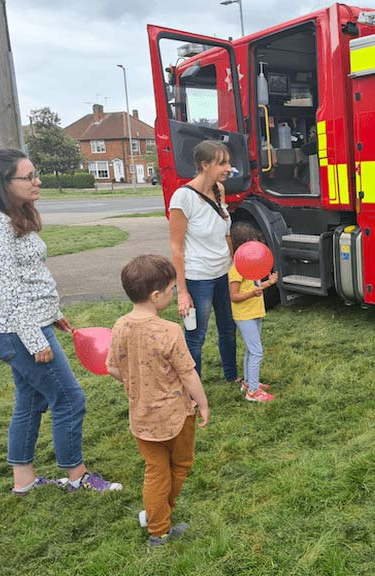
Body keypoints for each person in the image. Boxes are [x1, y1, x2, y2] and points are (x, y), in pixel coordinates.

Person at [0, 148, 121, 493]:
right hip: (17, 330)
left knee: (31, 399)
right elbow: (7, 289)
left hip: (28, 322)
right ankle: (77, 477)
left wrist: (52, 315)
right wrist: (35, 340)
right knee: (69, 399)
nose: (37, 181)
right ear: (2, 183)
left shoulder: (7, 216)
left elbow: (28, 276)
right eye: (28, 176)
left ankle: (24, 482)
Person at [106, 255, 210, 547]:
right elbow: (188, 374)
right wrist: (202, 404)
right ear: (155, 295)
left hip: (141, 418)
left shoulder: (119, 326)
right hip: (176, 416)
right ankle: (159, 517)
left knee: (155, 471)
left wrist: (132, 381)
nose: (174, 293)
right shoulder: (169, 331)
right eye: (172, 289)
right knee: (180, 465)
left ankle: (157, 526)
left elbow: (113, 367)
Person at [169, 140, 239, 385]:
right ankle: (193, 391)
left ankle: (232, 377)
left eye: (228, 162)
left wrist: (234, 267)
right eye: (222, 163)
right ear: (204, 165)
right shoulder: (182, 198)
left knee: (228, 328)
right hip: (198, 278)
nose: (229, 167)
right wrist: (183, 292)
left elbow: (226, 234)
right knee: (196, 336)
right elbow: (176, 249)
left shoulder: (219, 189)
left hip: (223, 273)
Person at [228, 223, 279, 403]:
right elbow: (234, 296)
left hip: (255, 313)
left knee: (251, 350)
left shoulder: (251, 266)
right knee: (257, 351)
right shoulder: (236, 269)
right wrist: (252, 293)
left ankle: (249, 383)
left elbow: (256, 287)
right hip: (245, 316)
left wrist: (268, 283)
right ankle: (254, 392)